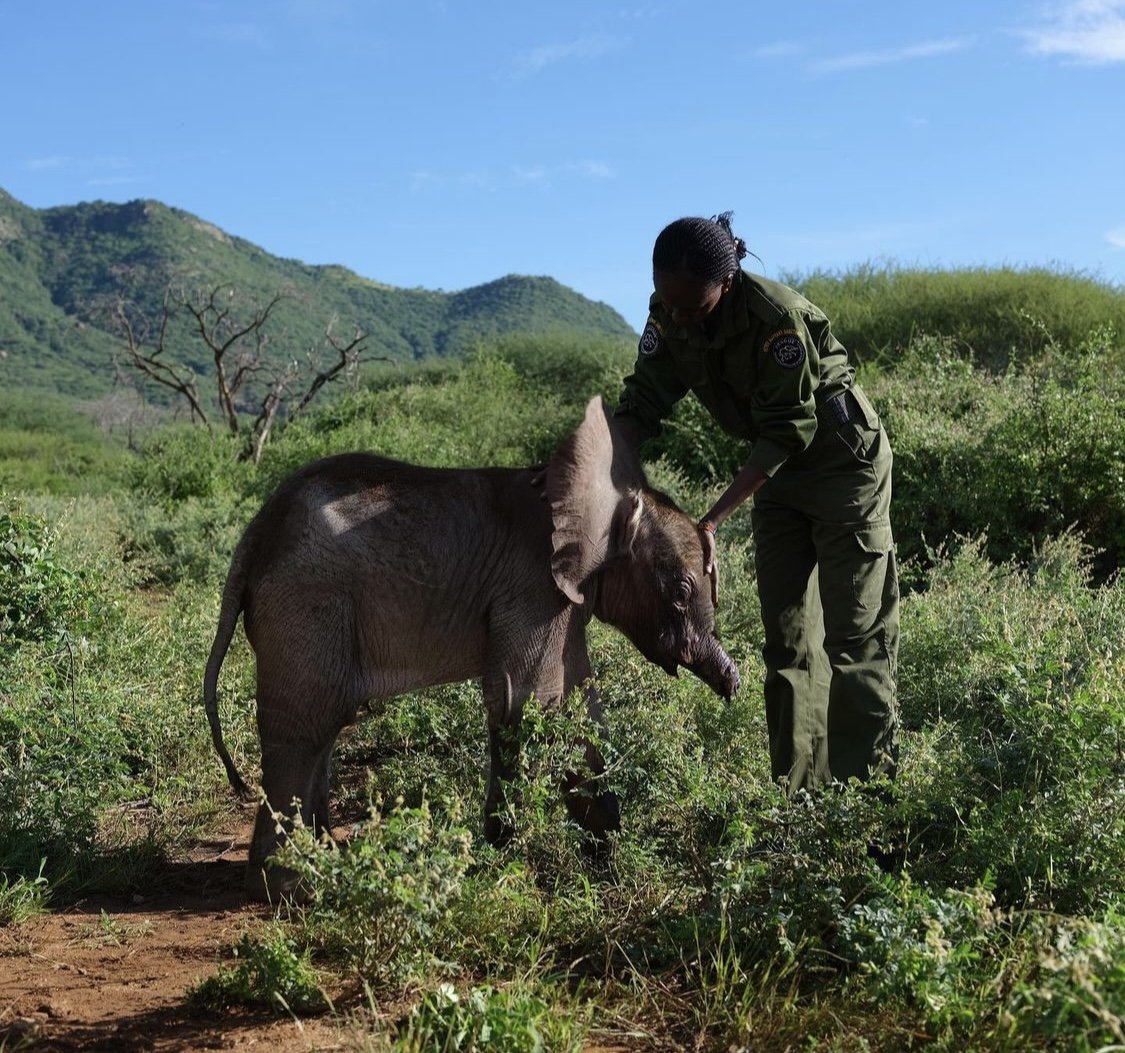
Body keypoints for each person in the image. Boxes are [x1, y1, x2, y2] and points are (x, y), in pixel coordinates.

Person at [614, 212, 898, 794]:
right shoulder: (668, 309)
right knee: (787, 641)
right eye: (669, 304)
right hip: (777, 478)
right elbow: (644, 398)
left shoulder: (776, 319)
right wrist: (602, 466)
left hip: (843, 466)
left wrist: (710, 522)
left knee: (854, 642)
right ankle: (798, 802)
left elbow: (789, 430)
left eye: (694, 307)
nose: (679, 317)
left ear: (728, 281)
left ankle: (870, 811)